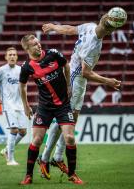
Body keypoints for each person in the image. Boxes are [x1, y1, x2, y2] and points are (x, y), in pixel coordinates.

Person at [39, 11, 124, 175]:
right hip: (75, 79)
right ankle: (45, 158)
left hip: (77, 79)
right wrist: (109, 82)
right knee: (66, 120)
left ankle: (56, 157)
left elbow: (70, 30)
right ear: (111, 32)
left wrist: (53, 27)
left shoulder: (90, 26)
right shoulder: (94, 45)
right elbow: (86, 72)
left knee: (71, 120)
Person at [19, 34, 83, 185]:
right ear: (27, 48)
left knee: (70, 138)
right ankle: (28, 176)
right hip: (44, 108)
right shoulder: (27, 67)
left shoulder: (53, 53)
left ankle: (72, 174)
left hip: (63, 105)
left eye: (38, 42)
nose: (38, 45)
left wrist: (68, 85)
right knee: (37, 140)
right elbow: (22, 86)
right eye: (34, 44)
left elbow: (66, 65)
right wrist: (26, 105)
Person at [0, 47, 28, 166]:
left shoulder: (21, 70)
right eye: (9, 55)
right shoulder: (1, 70)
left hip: (19, 105)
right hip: (8, 106)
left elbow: (24, 88)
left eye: (14, 55)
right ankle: (10, 159)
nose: (12, 57)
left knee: (23, 132)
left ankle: (6, 150)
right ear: (6, 57)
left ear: (17, 57)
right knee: (14, 130)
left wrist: (26, 105)